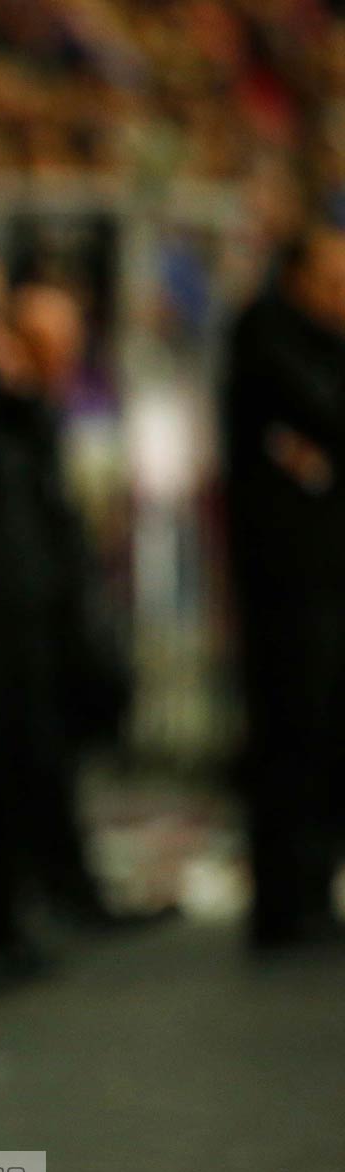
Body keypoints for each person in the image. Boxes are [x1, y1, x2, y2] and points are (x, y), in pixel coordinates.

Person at [222, 224, 345, 955]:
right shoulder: (264, 334)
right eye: (330, 276)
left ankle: (312, 892)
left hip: (326, 572)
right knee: (289, 730)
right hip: (286, 581)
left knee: (327, 732)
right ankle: (281, 902)